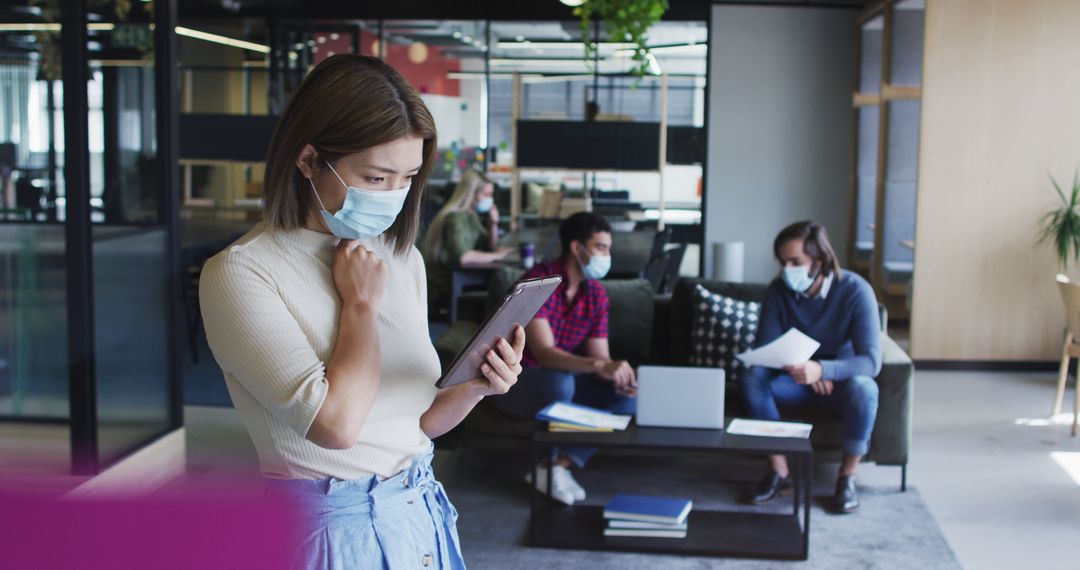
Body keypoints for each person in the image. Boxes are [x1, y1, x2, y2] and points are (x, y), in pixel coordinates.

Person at [199, 54, 525, 570]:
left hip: (420, 504)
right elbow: (337, 427)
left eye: (408, 177)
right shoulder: (242, 272)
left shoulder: (400, 257)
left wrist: (478, 386)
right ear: (308, 161)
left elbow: (419, 423)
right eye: (375, 177)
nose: (394, 196)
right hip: (329, 526)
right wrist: (360, 305)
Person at [491, 212, 637, 506]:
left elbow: (600, 359)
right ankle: (549, 463)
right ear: (576, 247)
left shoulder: (596, 294)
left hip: (561, 380)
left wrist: (615, 375)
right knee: (561, 383)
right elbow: (544, 354)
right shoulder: (538, 282)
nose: (607, 256)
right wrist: (599, 366)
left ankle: (555, 468)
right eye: (600, 248)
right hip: (514, 381)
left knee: (626, 397)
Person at [741, 221, 881, 514]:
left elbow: (870, 361)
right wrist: (803, 368)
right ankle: (780, 472)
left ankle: (847, 477)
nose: (787, 269)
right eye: (783, 262)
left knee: (865, 387)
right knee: (753, 377)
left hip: (840, 385)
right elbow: (767, 348)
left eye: (795, 262)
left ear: (819, 261)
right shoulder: (779, 291)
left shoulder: (856, 290)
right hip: (795, 381)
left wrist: (822, 369)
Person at [422, 169, 513, 308]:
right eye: (486, 194)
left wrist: (492, 224)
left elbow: (489, 247)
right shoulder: (455, 217)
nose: (490, 199)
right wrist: (497, 256)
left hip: (458, 279)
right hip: (443, 286)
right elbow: (463, 257)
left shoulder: (472, 215)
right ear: (472, 194)